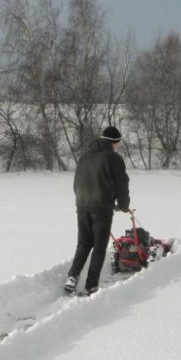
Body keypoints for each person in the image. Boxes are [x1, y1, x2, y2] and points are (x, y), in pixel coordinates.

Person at [64, 126, 130, 295]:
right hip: (101, 208)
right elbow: (121, 183)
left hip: (82, 205)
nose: (117, 147)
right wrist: (123, 205)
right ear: (114, 142)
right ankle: (91, 285)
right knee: (99, 247)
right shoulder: (113, 158)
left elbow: (76, 182)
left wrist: (82, 201)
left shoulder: (85, 156)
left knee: (84, 243)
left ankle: (72, 277)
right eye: (117, 144)